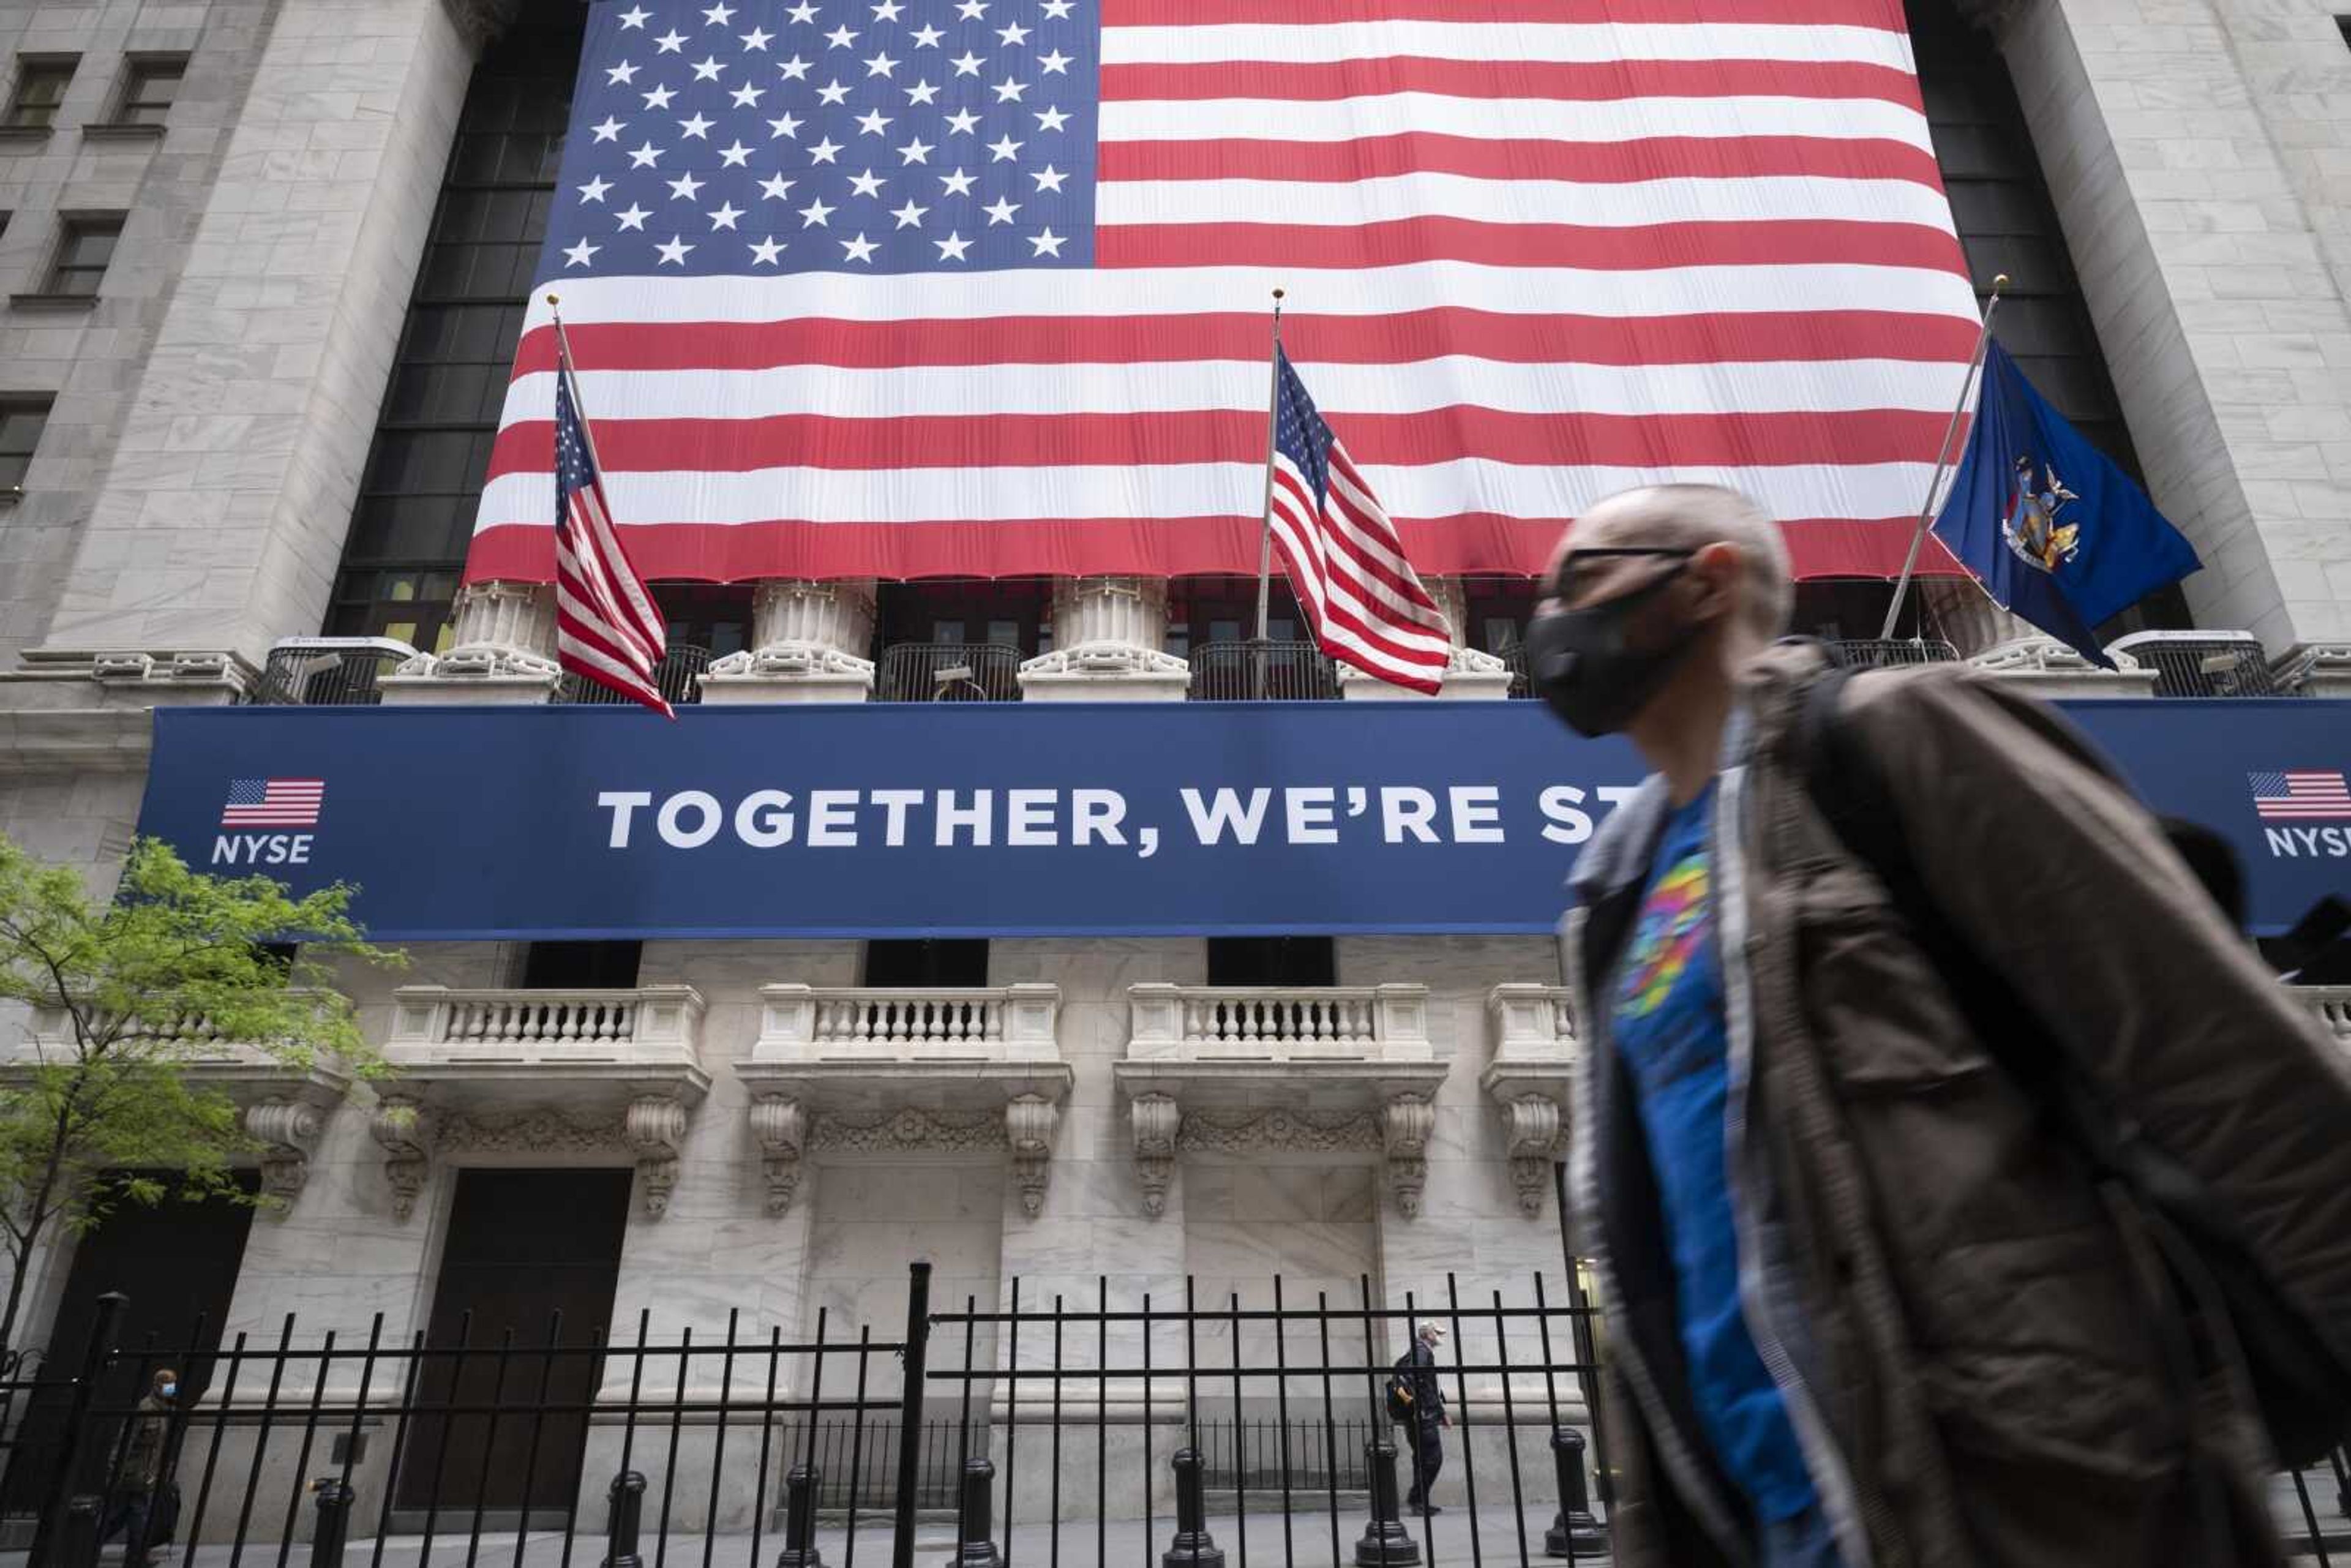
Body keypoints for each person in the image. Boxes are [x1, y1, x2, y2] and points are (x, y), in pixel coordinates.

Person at [1526, 483, 2351, 1568]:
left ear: (1708, 582)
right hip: (1776, 1524)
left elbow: (2223, 1066)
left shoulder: (1895, 735)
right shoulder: (1615, 901)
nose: (1549, 620)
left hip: (2032, 1502)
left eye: (1580, 578)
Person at [102, 1367, 178, 1564]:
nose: (170, 1389)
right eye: (167, 1385)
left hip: (149, 1472)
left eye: (172, 1385)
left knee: (123, 1514)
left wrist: (166, 1466)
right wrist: (115, 1467)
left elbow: (161, 1445)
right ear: (157, 1385)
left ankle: (94, 1545)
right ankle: (135, 1557)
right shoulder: (145, 1409)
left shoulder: (165, 1411)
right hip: (134, 1471)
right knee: (137, 1514)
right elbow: (125, 1441)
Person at [1396, 1319, 1450, 1516]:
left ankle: (1420, 1502)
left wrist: (1441, 1413)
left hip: (1421, 1415)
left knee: (1423, 1458)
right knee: (1433, 1458)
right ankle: (1417, 1499)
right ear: (1428, 1334)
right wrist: (1418, 1408)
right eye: (1436, 1333)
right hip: (1422, 1417)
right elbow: (1412, 1381)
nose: (1439, 1336)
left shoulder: (1419, 1351)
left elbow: (1427, 1387)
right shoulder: (1422, 1352)